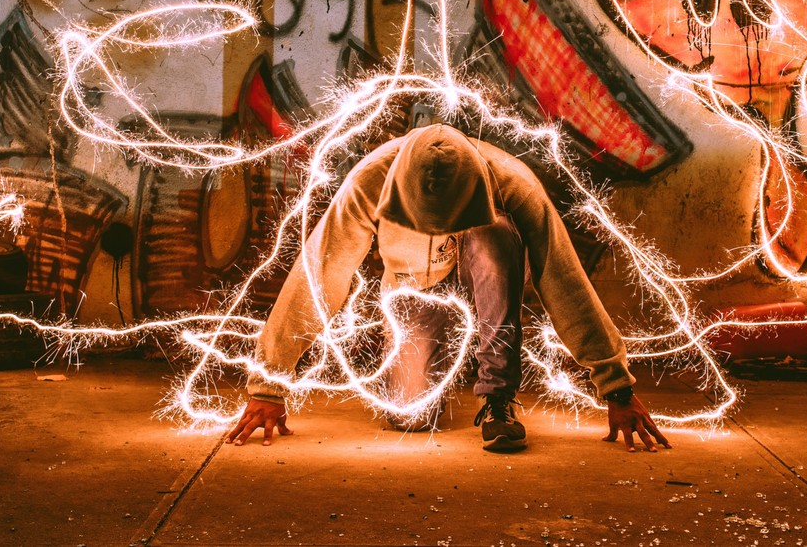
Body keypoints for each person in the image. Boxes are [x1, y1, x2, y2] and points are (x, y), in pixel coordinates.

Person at [225, 123, 671, 453]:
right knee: (408, 415)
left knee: (495, 234)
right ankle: (435, 368)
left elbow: (563, 277)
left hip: (488, 286)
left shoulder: (512, 181)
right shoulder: (369, 182)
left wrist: (617, 387)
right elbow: (321, 275)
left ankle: (497, 397)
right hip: (416, 291)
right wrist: (268, 383)